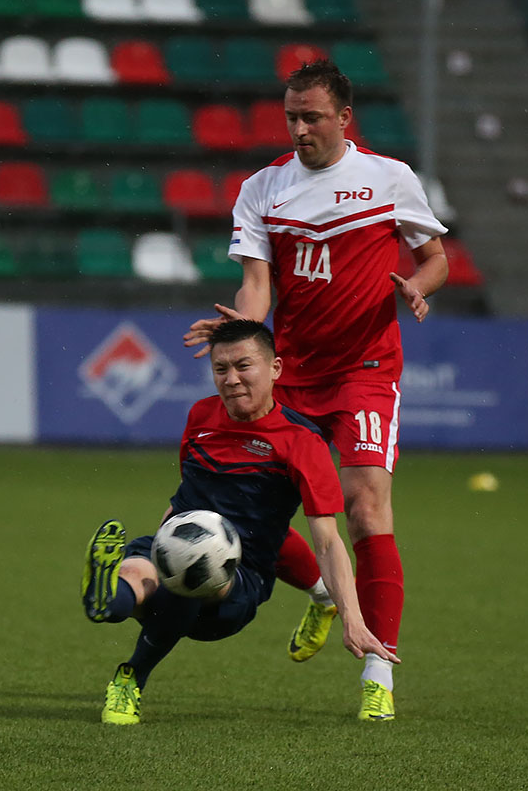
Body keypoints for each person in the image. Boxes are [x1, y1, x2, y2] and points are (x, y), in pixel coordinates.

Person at [183, 60, 449, 721]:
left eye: (312, 117)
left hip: (365, 368)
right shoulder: (263, 189)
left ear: (344, 118)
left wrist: (419, 288)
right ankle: (325, 594)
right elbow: (256, 284)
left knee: (365, 508)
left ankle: (379, 671)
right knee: (255, 511)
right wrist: (243, 331)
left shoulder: (390, 178)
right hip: (291, 371)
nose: (300, 129)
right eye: (291, 118)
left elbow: (434, 257)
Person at [81, 320, 397, 726]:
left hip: (239, 579)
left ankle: (131, 677)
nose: (231, 379)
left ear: (275, 369)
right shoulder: (200, 415)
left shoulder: (303, 442)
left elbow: (328, 542)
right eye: (221, 369)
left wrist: (352, 617)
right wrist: (163, 540)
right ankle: (105, 600)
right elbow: (186, 494)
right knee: (133, 579)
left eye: (243, 366)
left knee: (192, 575)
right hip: (177, 541)